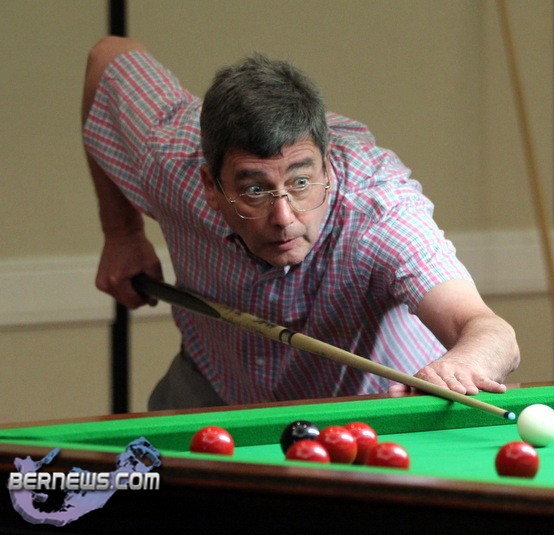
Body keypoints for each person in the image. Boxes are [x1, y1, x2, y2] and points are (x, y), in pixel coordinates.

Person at [82, 36, 520, 410]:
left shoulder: (379, 210)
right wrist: (121, 233)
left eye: (301, 182)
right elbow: (107, 59)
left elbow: (488, 330)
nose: (284, 217)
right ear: (211, 186)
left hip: (376, 406)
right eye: (255, 189)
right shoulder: (170, 157)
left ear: (327, 167)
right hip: (217, 381)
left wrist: (459, 366)